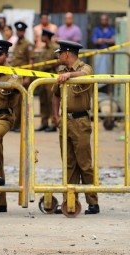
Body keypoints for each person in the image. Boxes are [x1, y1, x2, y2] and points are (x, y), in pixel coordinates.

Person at [52, 40, 99, 215]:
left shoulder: (85, 68)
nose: (58, 56)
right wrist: (56, 116)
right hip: (65, 120)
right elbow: (55, 95)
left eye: (60, 53)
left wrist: (70, 76)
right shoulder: (61, 71)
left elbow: (86, 75)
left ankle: (93, 202)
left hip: (80, 121)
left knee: (85, 163)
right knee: (69, 163)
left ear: (67, 54)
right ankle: (69, 201)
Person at [0, 39, 22, 212]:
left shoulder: (12, 72)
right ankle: (1, 203)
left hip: (3, 117)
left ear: (6, 55)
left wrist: (0, 83)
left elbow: (15, 86)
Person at [35, 29, 59, 132]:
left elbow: (59, 61)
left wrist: (49, 66)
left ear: (47, 37)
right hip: (42, 79)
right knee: (43, 101)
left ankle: (54, 123)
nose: (41, 38)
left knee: (51, 101)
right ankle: (44, 122)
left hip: (51, 78)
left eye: (43, 36)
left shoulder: (55, 48)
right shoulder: (44, 49)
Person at [11, 21, 34, 132]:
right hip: (15, 76)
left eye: (21, 30)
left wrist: (28, 77)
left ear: (24, 31)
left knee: (21, 101)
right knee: (15, 101)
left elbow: (30, 61)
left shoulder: (27, 44)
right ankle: (15, 123)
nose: (19, 32)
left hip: (23, 76)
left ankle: (21, 124)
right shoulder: (17, 43)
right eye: (18, 30)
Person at [92, 14, 115, 92]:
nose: (103, 21)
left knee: (108, 71)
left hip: (108, 54)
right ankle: (96, 91)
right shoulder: (97, 29)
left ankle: (107, 91)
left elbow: (113, 40)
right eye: (102, 19)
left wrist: (102, 40)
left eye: (105, 19)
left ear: (107, 20)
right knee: (98, 71)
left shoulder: (111, 29)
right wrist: (107, 40)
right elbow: (95, 41)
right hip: (99, 54)